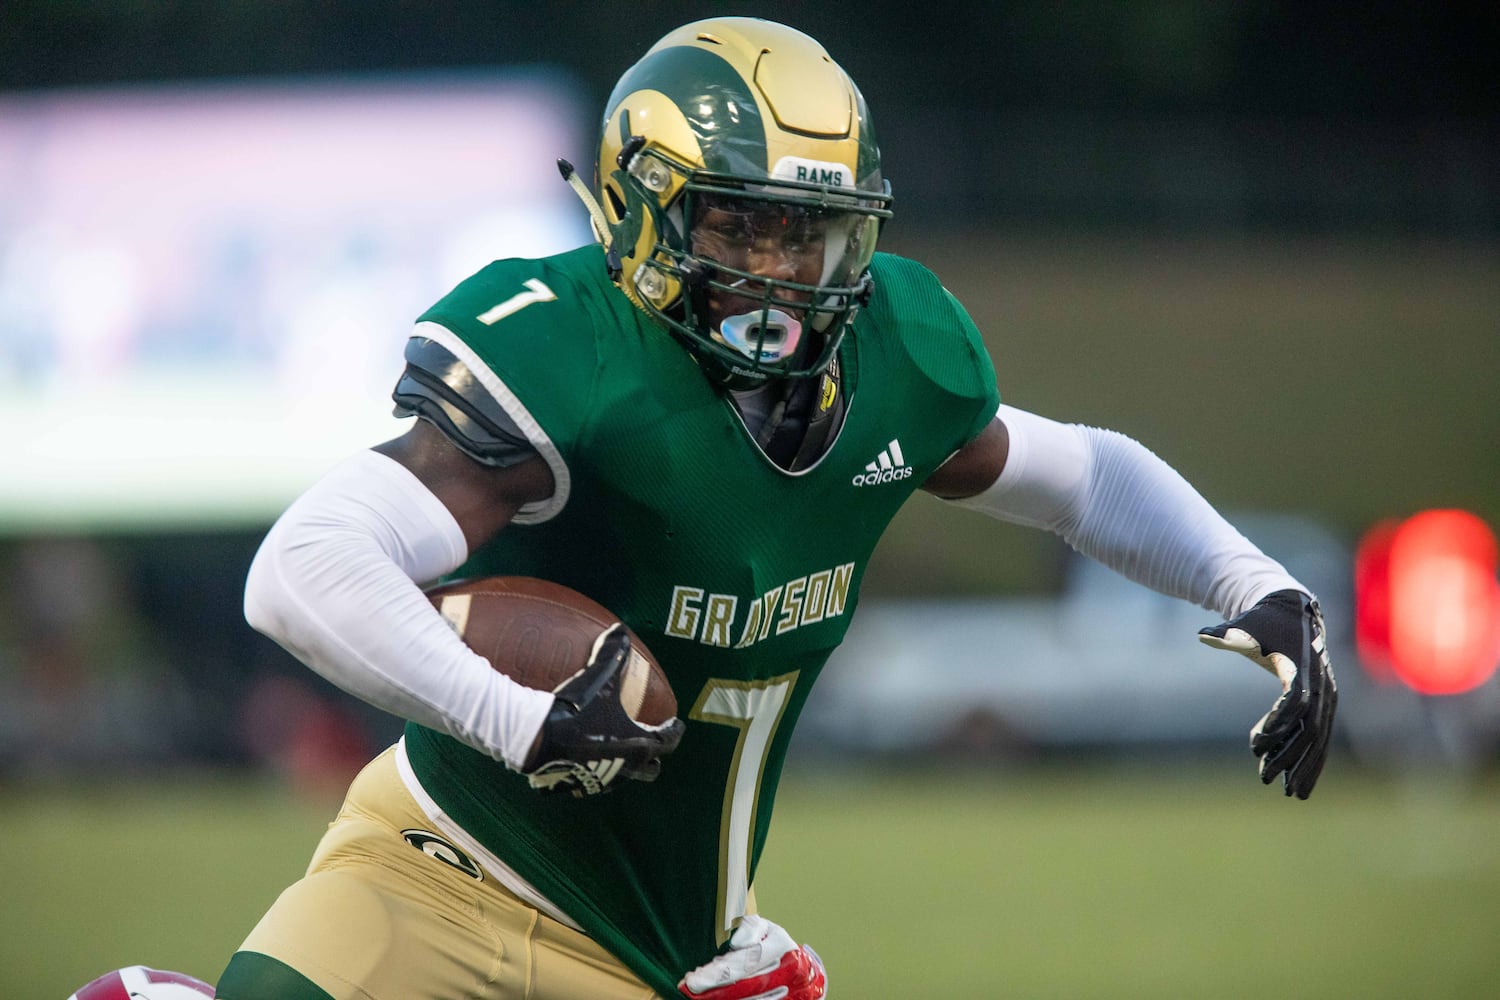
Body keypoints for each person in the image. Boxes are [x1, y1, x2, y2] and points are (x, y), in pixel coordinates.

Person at [217, 16, 1337, 1000]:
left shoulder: (900, 359)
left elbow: (1083, 475)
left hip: (666, 955)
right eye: (740, 228)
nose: (779, 271)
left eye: (807, 233)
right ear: (642, 209)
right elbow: (304, 565)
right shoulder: (572, 355)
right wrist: (520, 719)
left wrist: (1255, 582)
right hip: (439, 861)